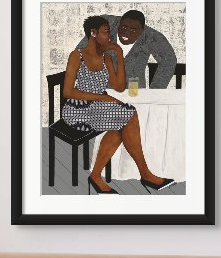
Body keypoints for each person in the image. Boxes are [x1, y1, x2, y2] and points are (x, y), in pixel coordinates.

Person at [62, 16, 174, 194]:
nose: (110, 37)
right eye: (106, 32)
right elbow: (68, 92)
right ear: (93, 33)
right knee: (128, 117)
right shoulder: (77, 56)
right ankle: (144, 174)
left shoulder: (106, 57)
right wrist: (103, 99)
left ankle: (98, 176)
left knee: (126, 118)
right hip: (78, 110)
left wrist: (119, 55)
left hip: (96, 108)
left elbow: (119, 86)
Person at [74, 10, 178, 90]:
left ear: (142, 31)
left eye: (133, 30)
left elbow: (169, 59)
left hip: (133, 90)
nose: (127, 33)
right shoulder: (105, 24)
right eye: (123, 27)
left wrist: (155, 91)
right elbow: (80, 51)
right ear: (119, 24)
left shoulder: (151, 36)